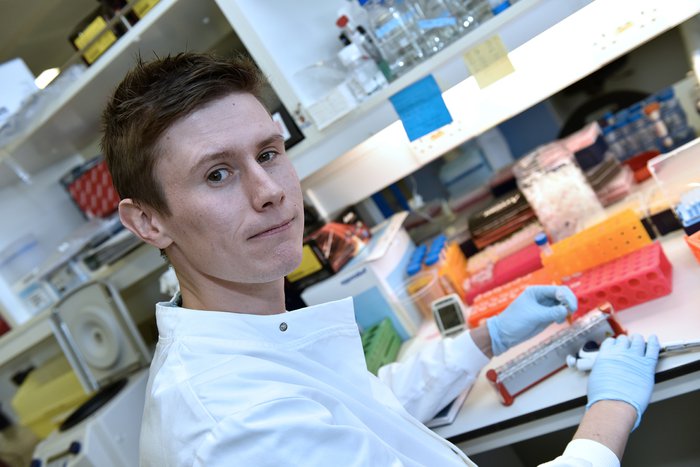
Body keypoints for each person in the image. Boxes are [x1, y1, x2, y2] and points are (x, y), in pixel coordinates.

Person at [101, 52, 660, 466]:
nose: (269, 190)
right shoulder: (236, 425)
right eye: (217, 174)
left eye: (269, 154)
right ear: (148, 221)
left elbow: (362, 408)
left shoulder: (249, 337)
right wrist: (608, 413)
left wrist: (483, 340)